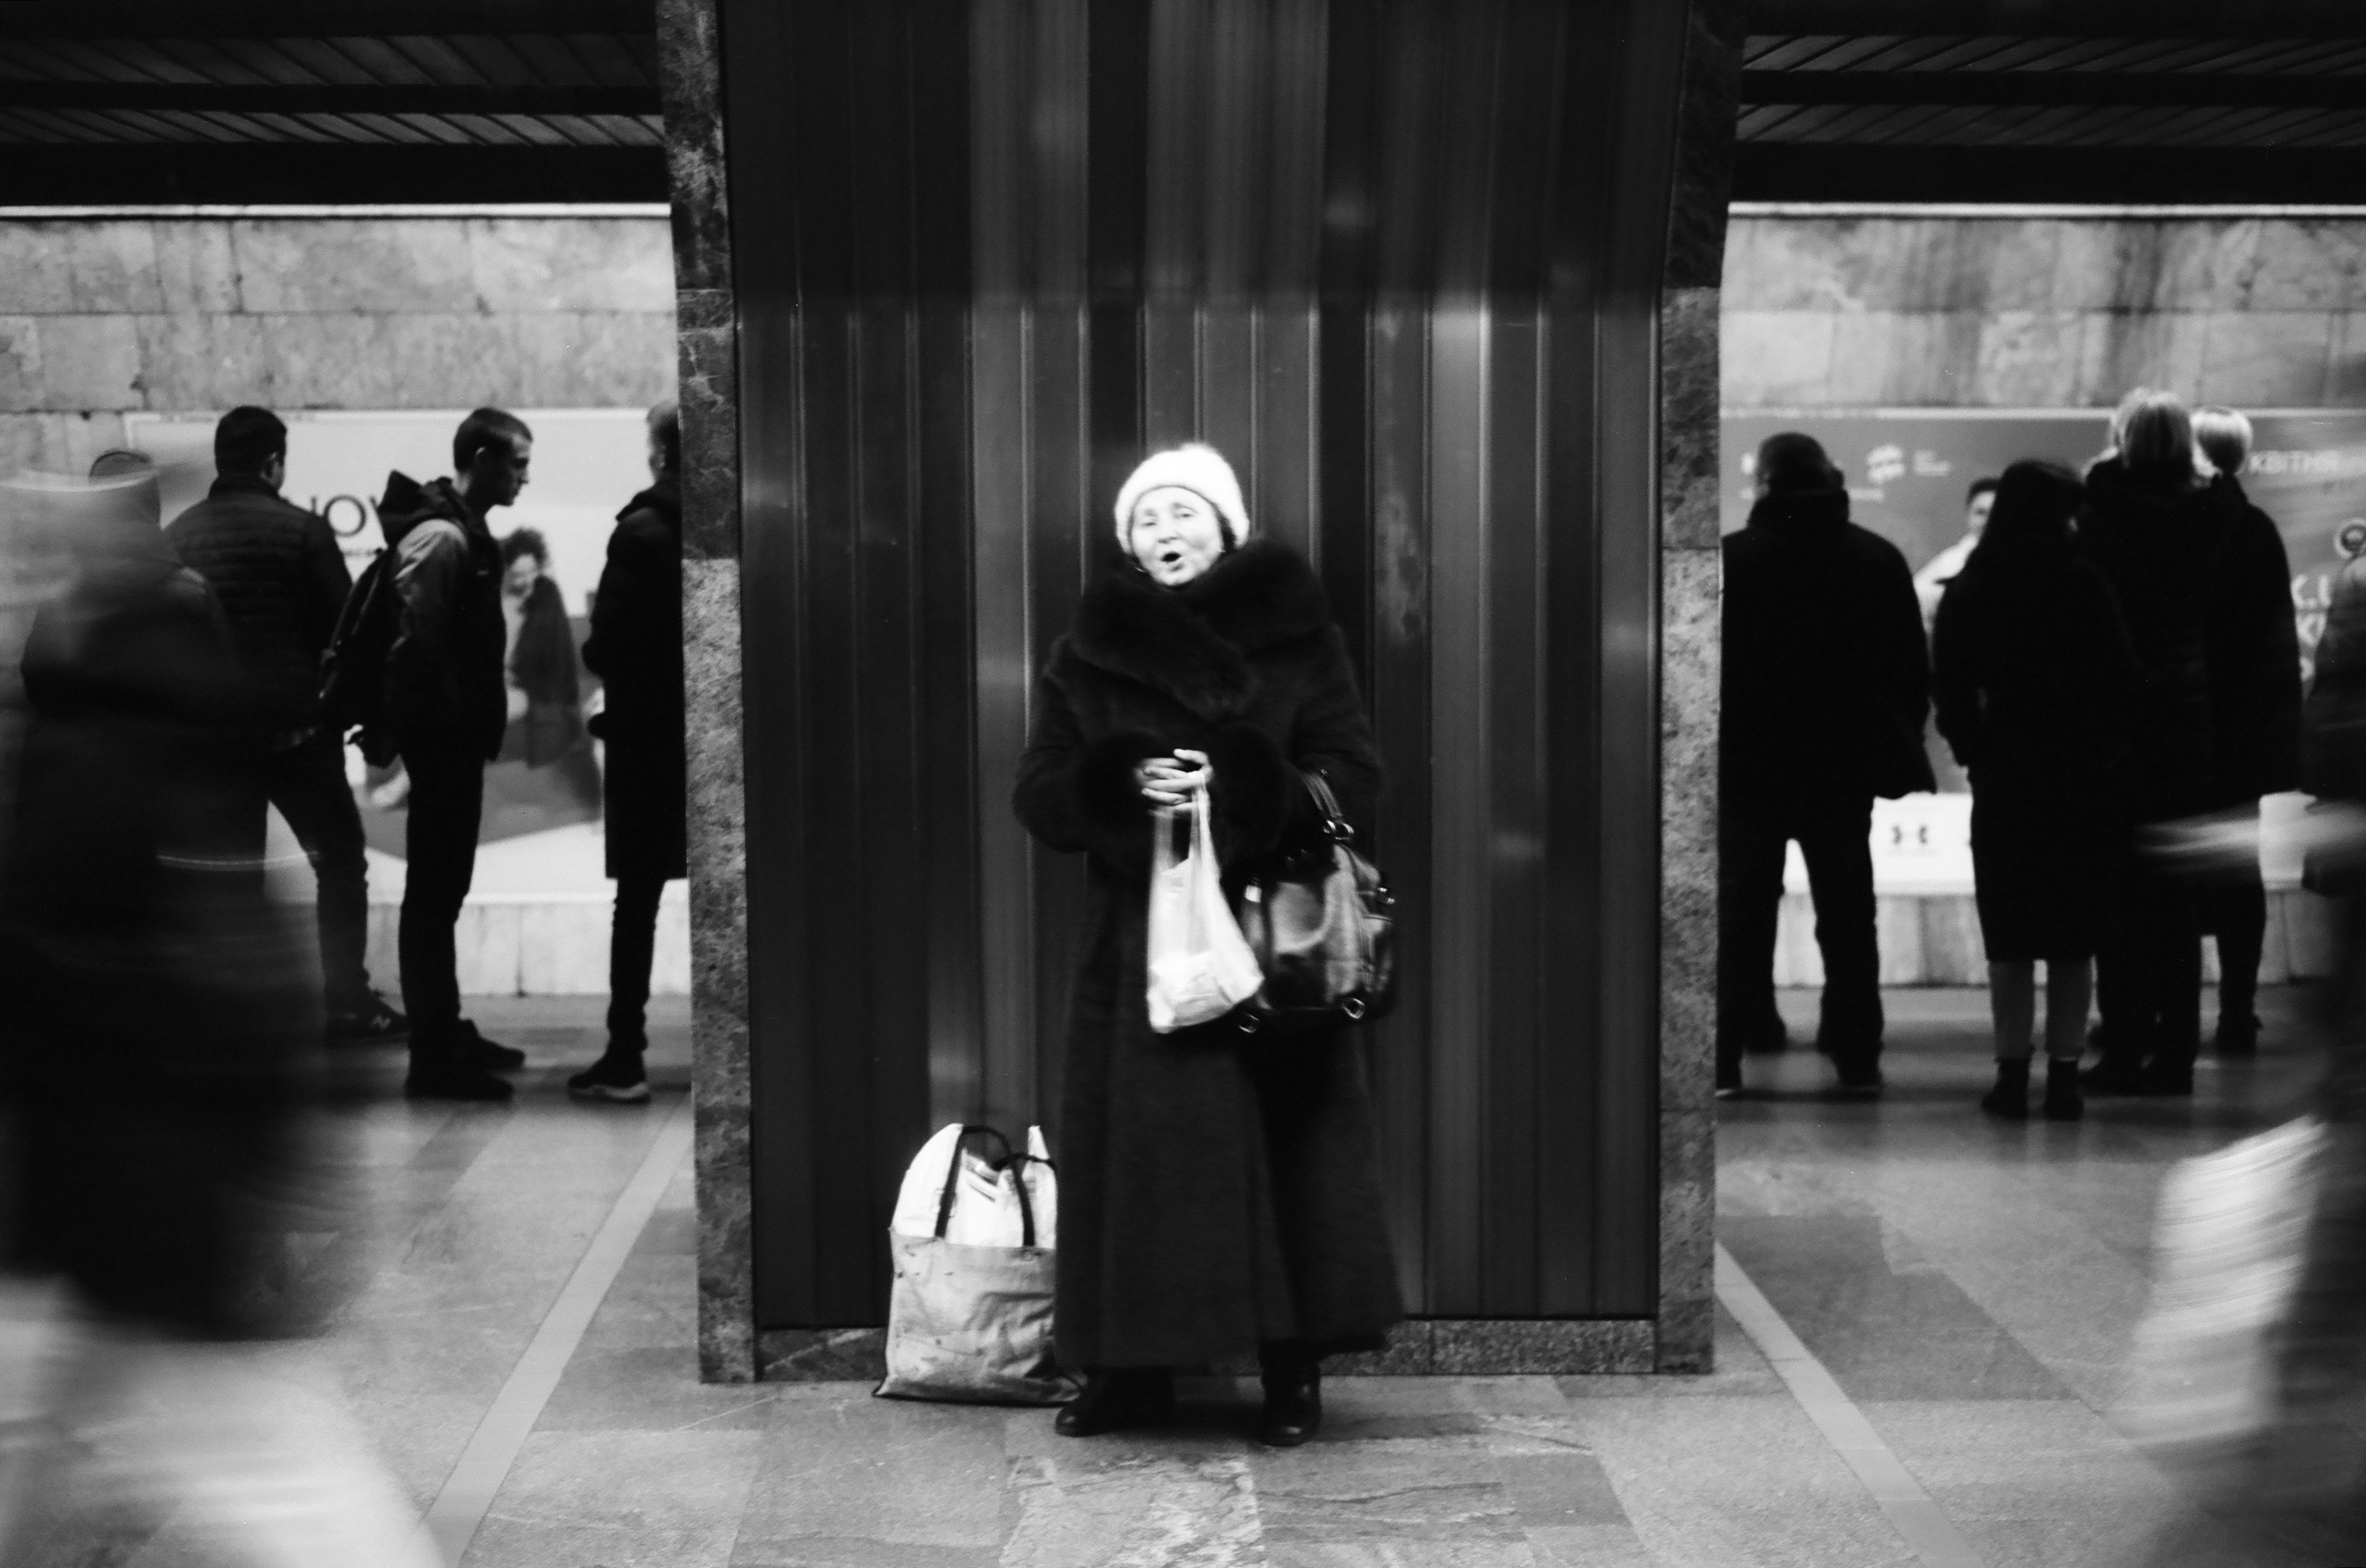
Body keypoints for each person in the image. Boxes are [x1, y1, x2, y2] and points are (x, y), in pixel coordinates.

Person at [0, 469, 436, 1568]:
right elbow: (241, 966)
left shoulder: (93, 761)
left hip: (122, 1175)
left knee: (257, 1450)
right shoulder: (170, 742)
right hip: (135, 1171)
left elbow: (99, 975)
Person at [1014, 442, 1401, 1446]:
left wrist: (1240, 784)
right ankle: (1127, 1373)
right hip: (1139, 948)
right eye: (1146, 519)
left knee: (1287, 1156)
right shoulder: (1087, 651)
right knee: (1137, 1165)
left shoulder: (1300, 640)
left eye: (1185, 512)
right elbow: (1041, 792)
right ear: (1128, 543)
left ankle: (1291, 1372)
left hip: (1272, 947)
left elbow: (1354, 774)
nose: (1165, 532)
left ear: (1228, 526)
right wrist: (1120, 785)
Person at [161, 408, 407, 1045]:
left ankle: (235, 1008)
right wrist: (356, 718)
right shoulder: (302, 531)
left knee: (235, 877)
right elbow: (346, 634)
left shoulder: (180, 536)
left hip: (218, 744)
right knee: (341, 864)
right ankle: (347, 999)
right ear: (274, 463)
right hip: (299, 736)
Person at [1718, 432, 1935, 1097]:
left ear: (1766, 484)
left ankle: (1732, 1044)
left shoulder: (1734, 558)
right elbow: (1910, 668)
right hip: (1842, 770)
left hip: (1748, 766)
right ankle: (1855, 1047)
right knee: (1847, 912)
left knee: (1741, 912)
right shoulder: (1876, 557)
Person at [1933, 460, 2139, 1121]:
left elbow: (1951, 687)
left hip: (2007, 780)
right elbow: (2123, 682)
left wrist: (1976, 752)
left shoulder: (1974, 585)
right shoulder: (2086, 580)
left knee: (2011, 938)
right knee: (2075, 936)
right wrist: (2105, 755)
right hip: (2082, 782)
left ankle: (2011, 1074)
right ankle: (2066, 1077)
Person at [2075, 389, 2249, 1097]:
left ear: (2120, 436)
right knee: (2175, 899)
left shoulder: (2099, 511)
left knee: (2117, 897)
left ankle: (2123, 1045)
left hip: (2114, 723)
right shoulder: (2216, 515)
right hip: (2187, 722)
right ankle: (2176, 1055)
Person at [378, 408, 535, 1101]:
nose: (525, 475)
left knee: (443, 893)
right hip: (440, 742)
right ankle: (432, 1053)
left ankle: (444, 1029)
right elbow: (414, 646)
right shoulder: (442, 537)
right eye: (516, 462)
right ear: (481, 456)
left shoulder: (464, 533)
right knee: (432, 897)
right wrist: (403, 731)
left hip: (453, 739)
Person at [567, 401, 685, 1104]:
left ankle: (626, 1054)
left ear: (659, 452)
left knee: (635, 902)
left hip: (646, 740)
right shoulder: (733, 521)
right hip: (720, 736)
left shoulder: (639, 531)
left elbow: (606, 643)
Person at [2192, 405, 2302, 1058]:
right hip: (2243, 732)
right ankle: (2238, 1008)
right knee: (2239, 873)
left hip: (2186, 725)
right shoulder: (2257, 528)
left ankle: (2153, 1005)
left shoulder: (2183, 529)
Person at [496, 527, 585, 764]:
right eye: (518, 574)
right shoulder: (493, 600)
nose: (527, 582)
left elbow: (560, 657)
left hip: (521, 691)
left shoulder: (545, 597)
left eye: (533, 572)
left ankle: (402, 786)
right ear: (504, 571)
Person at [1913, 475, 1999, 624]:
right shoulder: (1950, 561)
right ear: (1968, 514)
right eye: (1980, 513)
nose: (1987, 521)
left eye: (1995, 514)